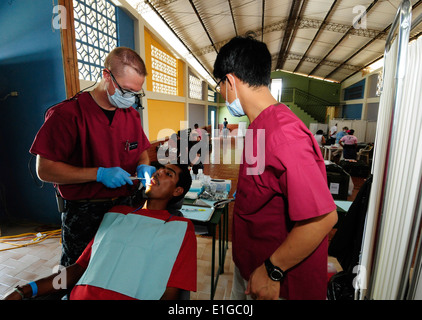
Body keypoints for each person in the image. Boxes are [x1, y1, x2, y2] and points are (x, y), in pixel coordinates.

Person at [213, 36, 337, 300]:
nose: (221, 93)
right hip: (251, 266)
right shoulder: (259, 126)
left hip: (277, 281)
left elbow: (323, 218)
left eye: (220, 85)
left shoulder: (284, 134)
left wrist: (272, 270)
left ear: (231, 81)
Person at [29, 47, 157, 267]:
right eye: (126, 90)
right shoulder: (67, 115)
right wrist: (98, 174)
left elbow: (142, 152)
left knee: (116, 265)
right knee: (80, 270)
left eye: (136, 93)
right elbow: (45, 170)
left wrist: (144, 166)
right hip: (84, 211)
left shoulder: (131, 116)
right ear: (106, 76)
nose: (130, 98)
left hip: (123, 206)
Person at [3, 163, 196, 300]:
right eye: (159, 170)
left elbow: (172, 291)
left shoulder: (179, 228)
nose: (157, 174)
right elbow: (78, 269)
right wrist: (25, 290)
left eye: (168, 174)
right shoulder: (115, 214)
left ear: (178, 191)